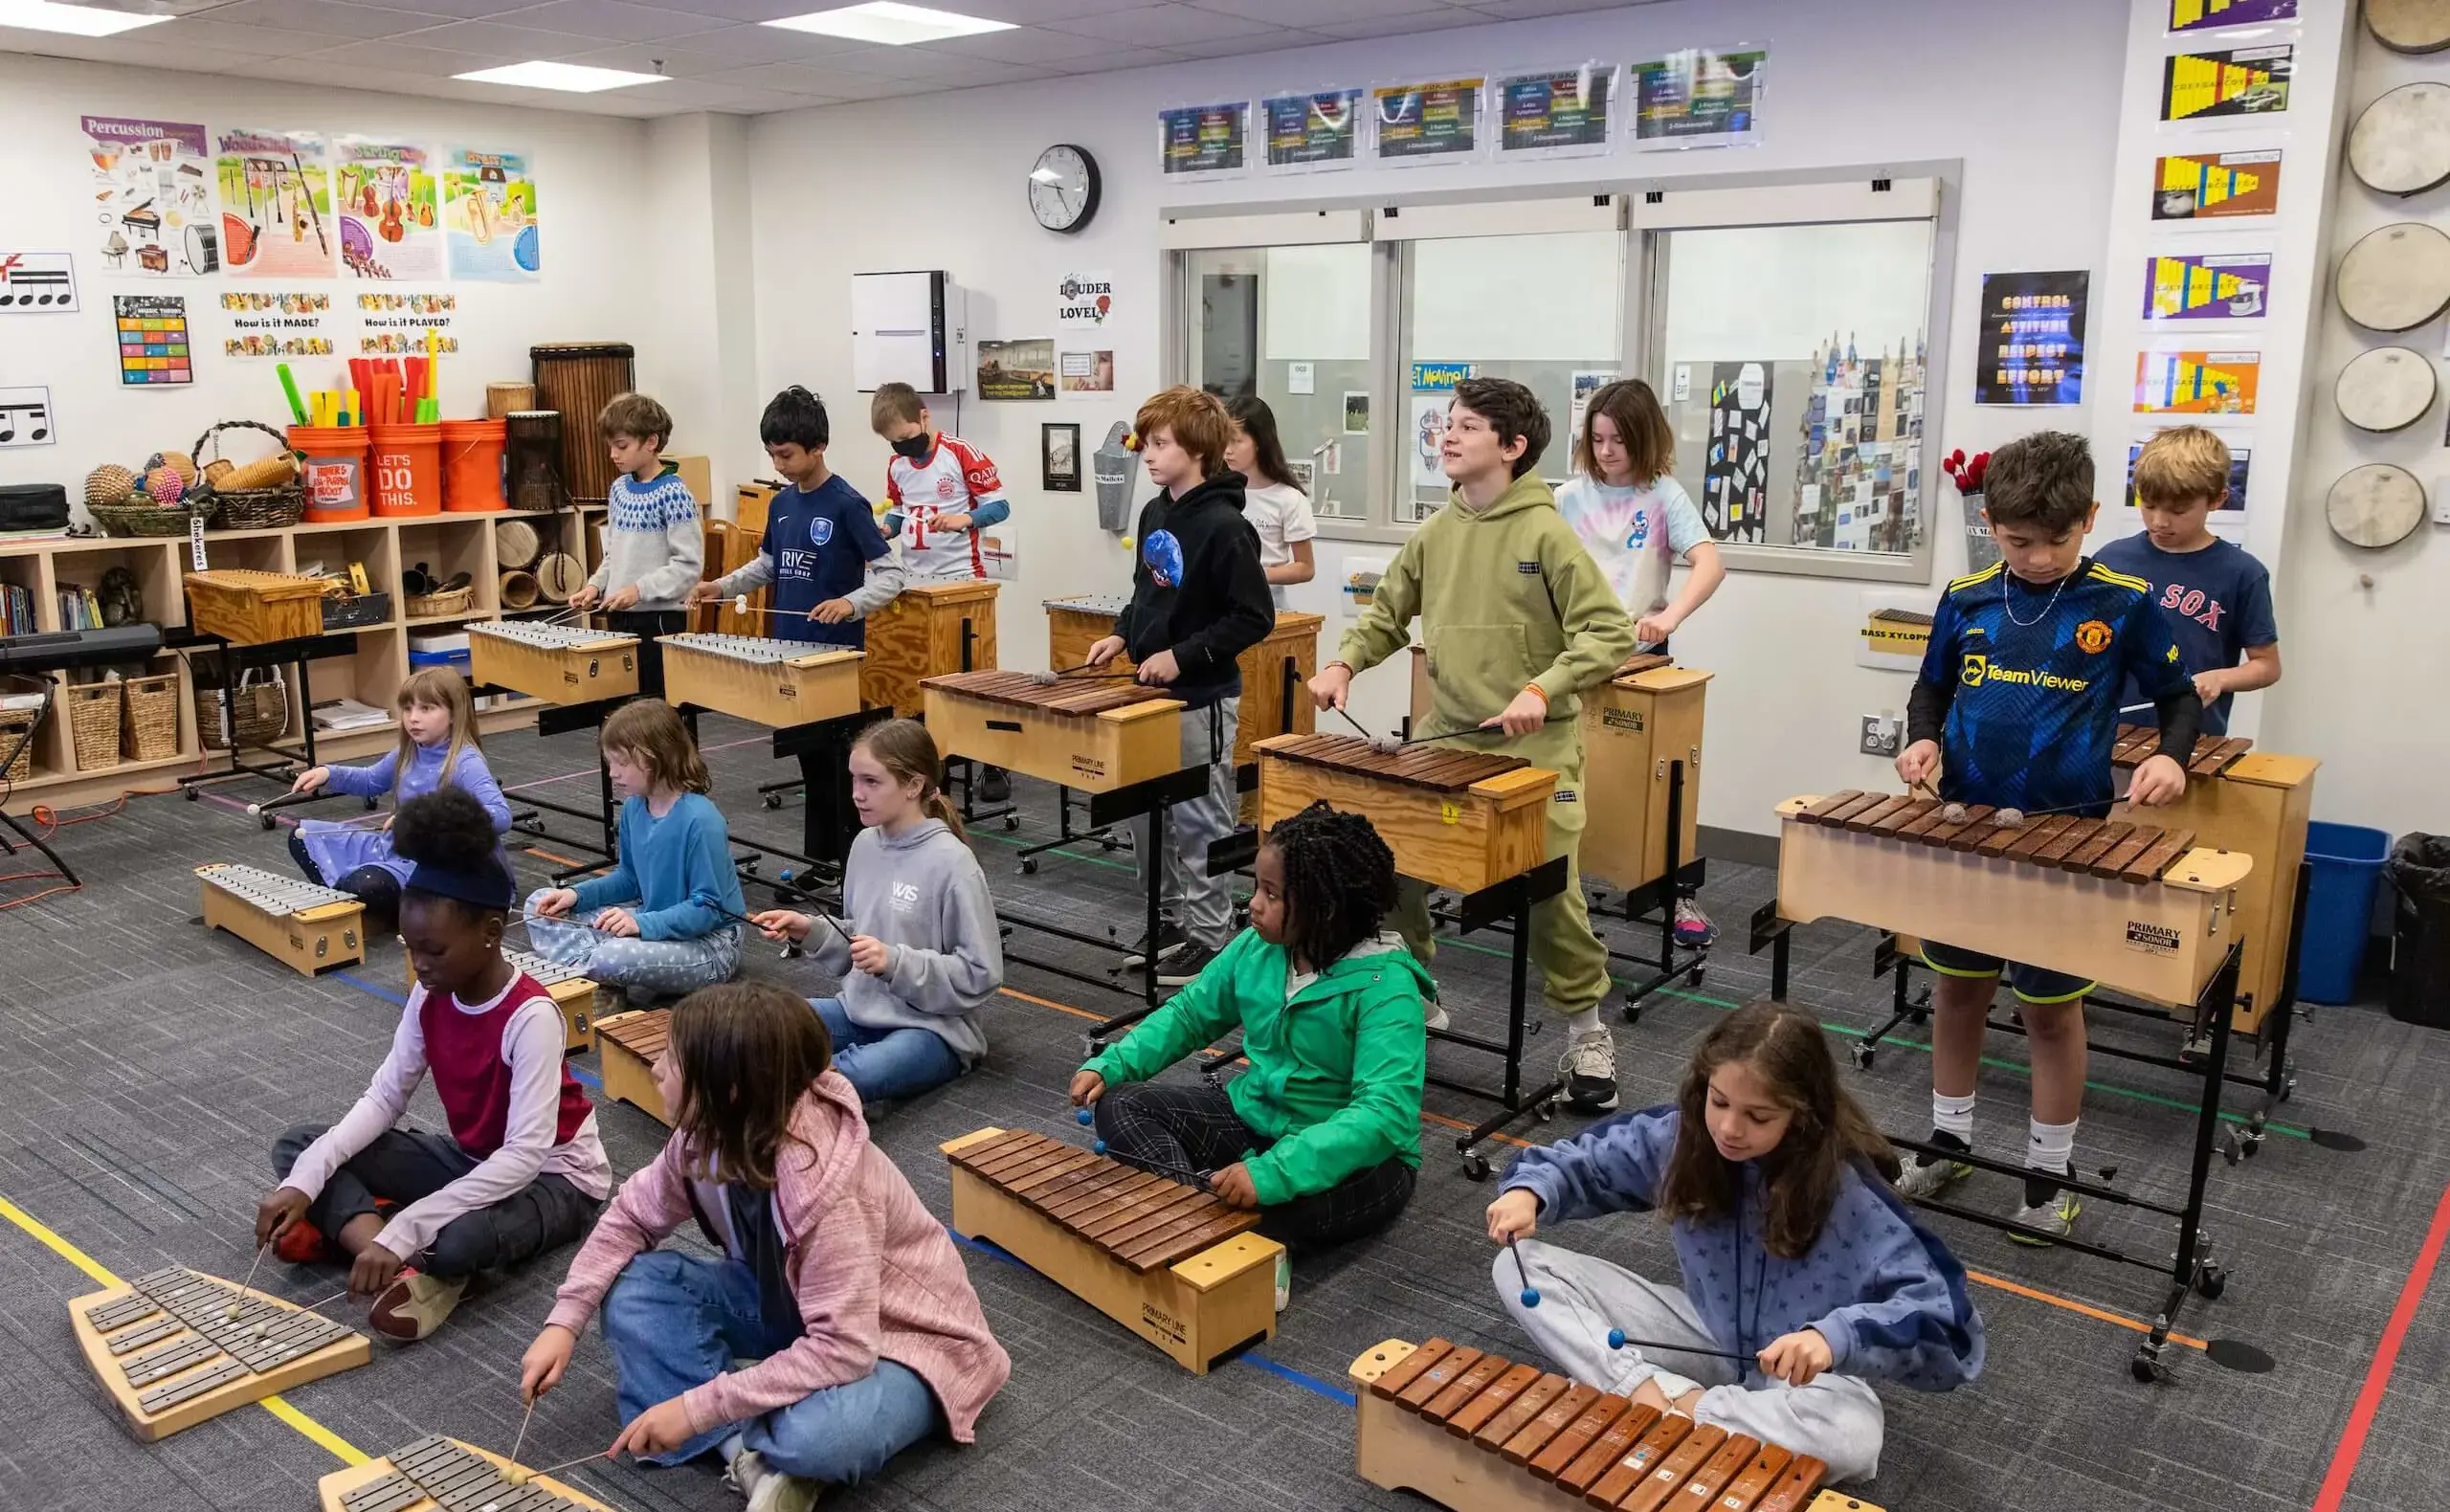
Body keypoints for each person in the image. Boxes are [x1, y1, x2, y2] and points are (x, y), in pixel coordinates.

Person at [520, 983, 1010, 1512]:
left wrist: (694, 1406)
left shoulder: (830, 1186)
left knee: (823, 1440)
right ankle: (748, 1458)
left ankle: (771, 1415)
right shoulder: (703, 1133)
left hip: (902, 1339)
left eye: (673, 1061)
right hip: (798, 1309)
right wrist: (563, 1322)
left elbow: (845, 1347)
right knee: (635, 1290)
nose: (657, 1069)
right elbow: (631, 1217)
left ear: (728, 1091)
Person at [1894, 430, 2202, 1239]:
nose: (2035, 557)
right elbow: (1930, 692)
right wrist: (1921, 739)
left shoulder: (2123, 601)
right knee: (1957, 990)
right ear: (1991, 521)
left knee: (2050, 1011)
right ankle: (1950, 1138)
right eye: (2017, 540)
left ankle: (2047, 1169)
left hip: (2068, 836)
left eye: (2057, 541)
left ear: (2092, 518)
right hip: (1966, 829)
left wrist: (2171, 760)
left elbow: (2181, 698)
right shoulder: (1964, 598)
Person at [1485, 1003, 1983, 1485]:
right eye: (1719, 1101)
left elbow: (1948, 1326)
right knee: (1519, 1266)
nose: (1728, 1128)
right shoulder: (1683, 1136)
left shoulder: (1851, 1192)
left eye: (1758, 1116)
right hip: (1701, 1332)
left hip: (1793, 1374)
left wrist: (1834, 1338)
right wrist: (1532, 1191)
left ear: (1801, 1113)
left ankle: (1684, 1409)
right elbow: (1584, 1161)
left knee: (1854, 1435)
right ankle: (1645, 1393)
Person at [1310, 377, 1637, 1111]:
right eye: (1447, 425)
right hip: (1446, 740)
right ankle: (1414, 998)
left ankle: (1586, 1029)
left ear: (1513, 447)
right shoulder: (1433, 533)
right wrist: (1344, 662)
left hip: (1537, 752)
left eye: (1467, 427)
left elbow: (1609, 634)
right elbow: (1387, 614)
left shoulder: (1548, 533)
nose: (1448, 436)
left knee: (1550, 893)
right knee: (1388, 870)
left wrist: (1541, 689)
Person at [257, 789, 609, 1342]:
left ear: (491, 934)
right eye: (409, 946)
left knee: (463, 1238)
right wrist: (305, 1182)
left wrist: (406, 1225)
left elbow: (523, 1157)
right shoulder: (430, 994)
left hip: (555, 1180)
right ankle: (396, 1261)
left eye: (434, 951)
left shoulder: (533, 1016)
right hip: (472, 1162)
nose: (418, 966)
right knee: (301, 1148)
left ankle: (382, 1240)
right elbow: (384, 1099)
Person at [1071, 802, 1426, 1301]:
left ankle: (1209, 1226)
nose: (1253, 904)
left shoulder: (1386, 987)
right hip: (1254, 1118)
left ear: (1323, 907)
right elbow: (1191, 1013)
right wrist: (1114, 1062)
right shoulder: (1257, 947)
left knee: (1291, 1208)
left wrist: (1271, 1175)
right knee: (1122, 1103)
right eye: (1255, 887)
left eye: (1271, 894)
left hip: (1361, 1161)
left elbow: (1383, 1116)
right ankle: (1209, 1225)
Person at [1085, 385, 1274, 985]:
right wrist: (1121, 634)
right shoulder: (1153, 512)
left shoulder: (1225, 526)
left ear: (1195, 449)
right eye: (1147, 443)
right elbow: (1146, 591)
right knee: (1144, 815)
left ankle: (1212, 935)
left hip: (1201, 698)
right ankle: (1168, 918)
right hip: (1146, 697)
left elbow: (1253, 617)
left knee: (1200, 819)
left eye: (1160, 443)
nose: (1148, 454)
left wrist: (1182, 656)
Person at [687, 387, 904, 859]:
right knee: (810, 764)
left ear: (818, 446)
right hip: (788, 653)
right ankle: (821, 861)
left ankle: (848, 863)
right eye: (770, 454)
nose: (777, 464)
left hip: (833, 658)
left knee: (836, 768)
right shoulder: (781, 504)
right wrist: (720, 587)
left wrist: (849, 604)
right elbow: (769, 564)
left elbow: (892, 576)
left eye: (784, 454)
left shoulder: (848, 504)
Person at [748, 720, 1001, 1106]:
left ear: (914, 786)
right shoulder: (865, 844)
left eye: (871, 782)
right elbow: (857, 935)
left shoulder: (953, 864)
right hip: (859, 1012)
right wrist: (811, 930)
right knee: (763, 1029)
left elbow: (981, 974)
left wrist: (895, 962)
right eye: (853, 780)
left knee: (852, 1074)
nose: (857, 794)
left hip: (932, 1030)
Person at [1555, 379, 1727, 947]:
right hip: (1572, 657)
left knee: (1652, 790)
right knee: (1567, 782)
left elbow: (1709, 564)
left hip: (1640, 659)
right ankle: (1559, 890)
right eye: (1598, 439)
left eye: (1620, 440)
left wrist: (1669, 617)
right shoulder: (1567, 497)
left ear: (1645, 438)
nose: (1607, 451)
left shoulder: (1663, 496)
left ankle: (1676, 896)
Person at [523, 699, 745, 1002]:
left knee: (614, 956)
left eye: (622, 763)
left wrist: (640, 925)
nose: (612, 773)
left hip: (711, 945)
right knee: (537, 907)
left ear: (658, 757)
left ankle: (606, 967)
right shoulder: (633, 808)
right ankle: (608, 970)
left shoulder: (701, 820)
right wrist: (577, 895)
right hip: (653, 919)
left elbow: (708, 909)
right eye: (610, 762)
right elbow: (629, 878)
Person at [870, 381, 1015, 803]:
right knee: (922, 676)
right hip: (915, 583)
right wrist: (886, 529)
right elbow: (899, 510)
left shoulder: (960, 453)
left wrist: (964, 521)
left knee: (972, 674)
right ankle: (930, 760)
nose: (903, 447)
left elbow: (1000, 505)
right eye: (893, 443)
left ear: (924, 418)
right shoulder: (897, 466)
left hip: (962, 582)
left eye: (906, 437)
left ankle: (993, 760)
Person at [285, 667, 510, 934]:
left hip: (441, 864)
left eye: (426, 709)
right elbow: (371, 781)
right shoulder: (409, 751)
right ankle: (376, 906)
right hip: (396, 850)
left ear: (453, 714)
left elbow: (500, 816)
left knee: (367, 883)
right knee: (303, 836)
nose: (413, 718)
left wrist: (429, 819)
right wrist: (328, 773)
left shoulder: (465, 761)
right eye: (407, 709)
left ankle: (385, 906)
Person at [2093, 425, 2280, 738]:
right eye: (2149, 505)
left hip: (2191, 736)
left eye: (2178, 511)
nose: (2159, 521)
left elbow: (2267, 666)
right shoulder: (2111, 560)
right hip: (2108, 734)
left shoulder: (2243, 573)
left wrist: (2219, 679)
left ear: (2217, 500)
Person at [570, 391, 703, 704]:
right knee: (618, 711)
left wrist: (639, 590)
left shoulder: (675, 493)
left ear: (651, 442)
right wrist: (595, 586)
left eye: (622, 446)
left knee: (656, 714)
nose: (613, 455)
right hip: (620, 616)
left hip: (658, 620)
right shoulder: (619, 489)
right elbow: (614, 553)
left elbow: (688, 567)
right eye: (610, 446)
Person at [1224, 395, 1319, 609]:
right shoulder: (1216, 492)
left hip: (1266, 604)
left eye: (1236, 441)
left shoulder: (1289, 499)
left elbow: (1305, 567)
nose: (1227, 450)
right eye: (1223, 440)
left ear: (1260, 442)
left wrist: (1255, 575)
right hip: (1217, 604)